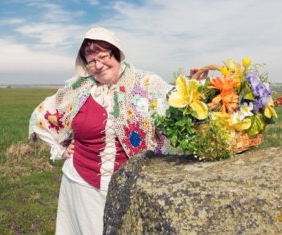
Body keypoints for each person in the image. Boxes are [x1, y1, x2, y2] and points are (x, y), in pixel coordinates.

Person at [29, 27, 174, 234]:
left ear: (116, 53)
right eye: (91, 61)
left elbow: (178, 104)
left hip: (130, 183)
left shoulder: (146, 83)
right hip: (80, 184)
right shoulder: (77, 88)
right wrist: (61, 148)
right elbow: (42, 116)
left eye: (103, 56)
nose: (98, 65)